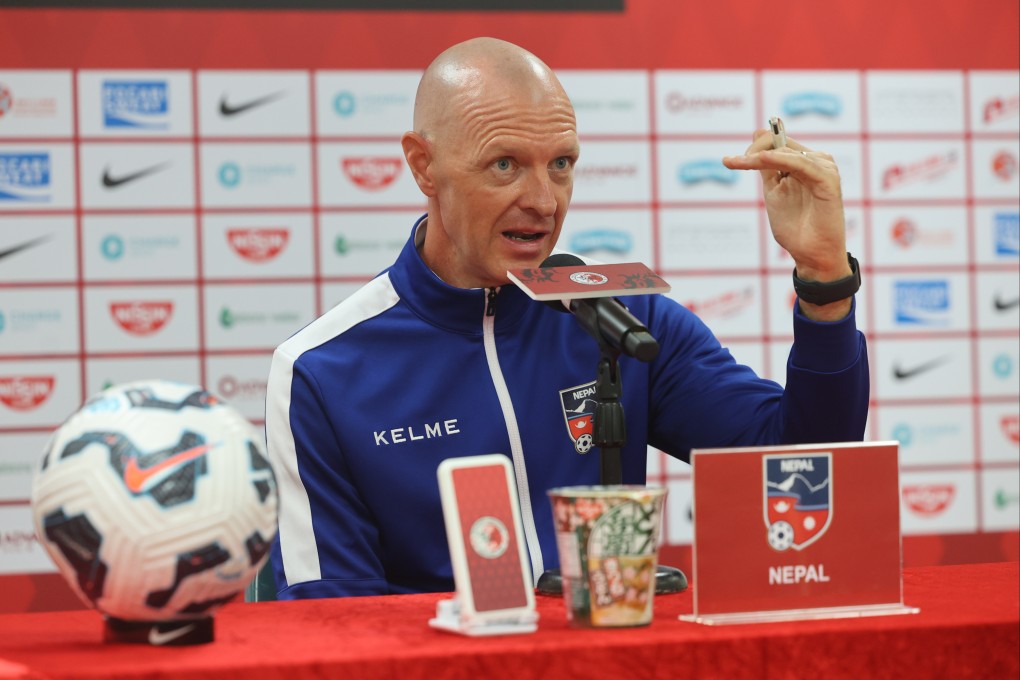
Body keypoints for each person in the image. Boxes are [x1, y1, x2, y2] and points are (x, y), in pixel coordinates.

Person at [265, 37, 868, 599]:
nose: (544, 201)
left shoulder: (625, 319)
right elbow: (333, 619)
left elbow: (802, 464)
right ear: (424, 166)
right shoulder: (321, 371)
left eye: (561, 163)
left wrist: (823, 283)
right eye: (505, 165)